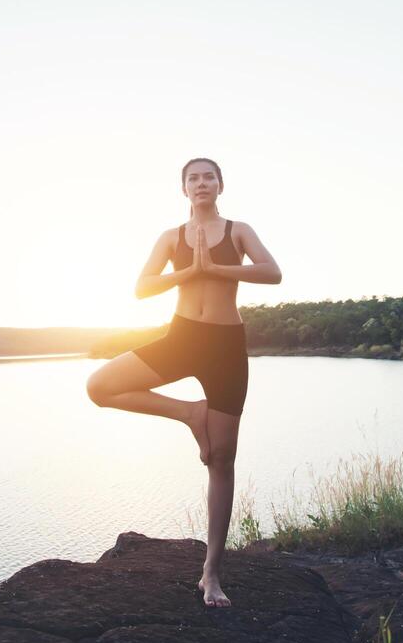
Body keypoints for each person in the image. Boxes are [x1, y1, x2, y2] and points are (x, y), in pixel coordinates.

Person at [86, 157, 282, 608]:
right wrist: (189, 272)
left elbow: (272, 272)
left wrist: (215, 269)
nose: (201, 183)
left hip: (226, 346)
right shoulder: (171, 237)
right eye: (192, 178)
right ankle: (189, 412)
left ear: (220, 185)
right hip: (181, 338)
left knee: (221, 459)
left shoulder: (238, 230)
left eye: (208, 176)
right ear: (183, 189)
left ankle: (211, 572)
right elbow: (142, 287)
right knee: (100, 386)